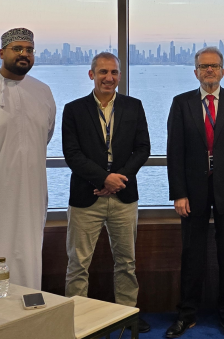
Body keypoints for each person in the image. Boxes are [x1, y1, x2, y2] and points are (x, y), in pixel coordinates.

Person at [166, 46, 224, 338]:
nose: (209, 70)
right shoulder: (181, 103)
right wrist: (179, 193)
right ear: (196, 72)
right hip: (192, 193)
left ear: (223, 71)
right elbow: (174, 152)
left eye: (214, 66)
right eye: (204, 66)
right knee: (192, 253)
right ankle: (186, 313)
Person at [62, 52, 151, 333]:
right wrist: (103, 178)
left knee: (126, 263)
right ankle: (76, 322)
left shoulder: (134, 106)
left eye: (113, 72)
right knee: (78, 265)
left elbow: (143, 149)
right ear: (92, 75)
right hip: (85, 198)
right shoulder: (73, 109)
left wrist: (117, 180)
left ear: (120, 76)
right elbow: (72, 154)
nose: (108, 77)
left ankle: (126, 318)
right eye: (102, 72)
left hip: (124, 196)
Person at [0, 27, 56, 289]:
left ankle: (27, 304)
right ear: (2, 53)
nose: (24, 54)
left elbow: (46, 135)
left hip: (32, 188)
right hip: (2, 187)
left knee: (29, 249)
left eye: (30, 50)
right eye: (18, 49)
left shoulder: (43, 91)